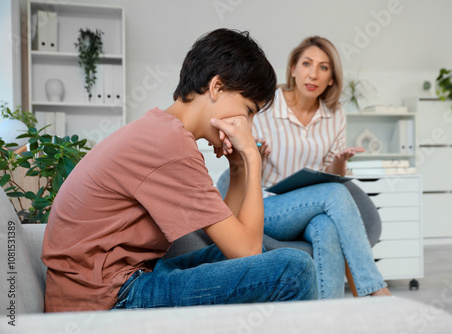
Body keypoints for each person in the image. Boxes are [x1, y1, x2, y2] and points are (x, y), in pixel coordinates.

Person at [41, 28, 318, 312]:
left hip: (125, 281)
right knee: (295, 269)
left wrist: (237, 169)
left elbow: (232, 241)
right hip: (105, 299)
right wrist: (252, 158)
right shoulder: (170, 145)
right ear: (217, 87)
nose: (248, 125)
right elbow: (245, 251)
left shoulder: (163, 131)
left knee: (252, 256)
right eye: (248, 110)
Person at [218, 36, 391, 299]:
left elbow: (333, 178)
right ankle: (376, 289)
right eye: (307, 64)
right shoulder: (266, 105)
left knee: (327, 226)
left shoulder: (334, 114)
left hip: (313, 208)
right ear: (293, 69)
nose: (313, 74)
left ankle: (324, 318)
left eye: (323, 67)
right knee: (335, 195)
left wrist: (340, 160)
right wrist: (256, 155)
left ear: (331, 78)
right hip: (268, 206)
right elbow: (243, 166)